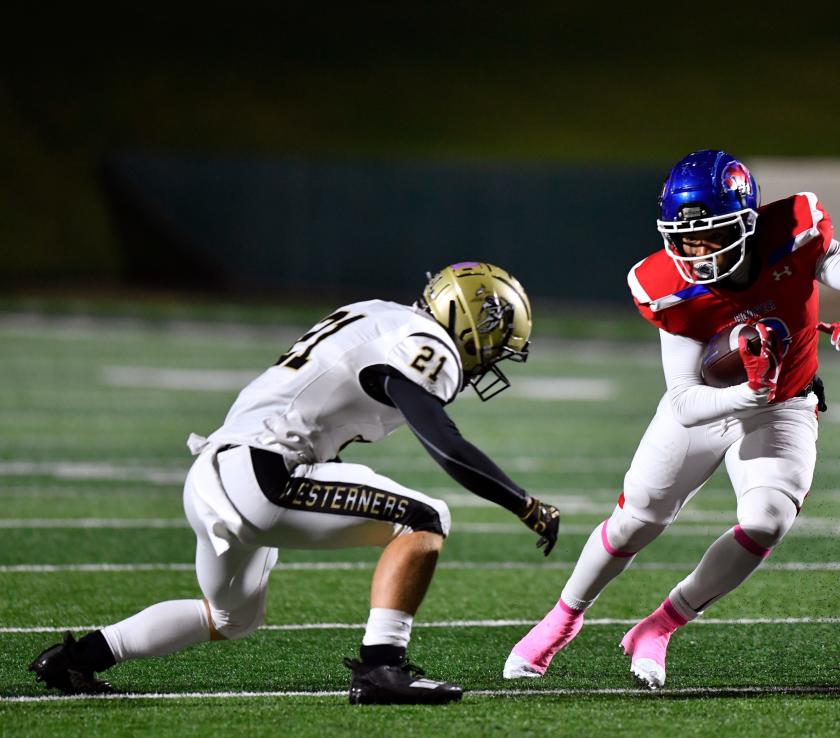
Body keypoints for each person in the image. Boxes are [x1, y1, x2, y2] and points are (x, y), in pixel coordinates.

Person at [29, 261, 560, 705]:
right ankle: (382, 668)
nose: (491, 357)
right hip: (266, 472)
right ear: (469, 321)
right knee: (424, 518)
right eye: (494, 342)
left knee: (230, 617)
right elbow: (446, 443)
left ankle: (77, 659)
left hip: (214, 470)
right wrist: (524, 503)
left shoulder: (378, 315)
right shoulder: (427, 345)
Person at [503, 149, 840, 689]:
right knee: (635, 521)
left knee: (767, 519)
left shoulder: (795, 233)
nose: (698, 252)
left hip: (785, 402)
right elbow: (682, 399)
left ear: (747, 221)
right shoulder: (668, 287)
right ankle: (561, 620)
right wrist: (746, 391)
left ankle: (659, 627)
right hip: (710, 404)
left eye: (712, 235)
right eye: (687, 239)